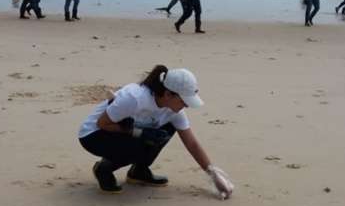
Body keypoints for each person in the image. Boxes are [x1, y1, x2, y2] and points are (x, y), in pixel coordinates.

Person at [77, 65, 234, 198]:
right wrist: (140, 133)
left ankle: (139, 172)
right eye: (184, 101)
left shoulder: (173, 110)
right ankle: (104, 169)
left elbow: (191, 143)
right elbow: (103, 123)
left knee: (166, 130)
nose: (186, 106)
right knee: (141, 144)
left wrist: (213, 174)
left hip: (123, 131)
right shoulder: (134, 98)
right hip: (94, 135)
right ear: (168, 94)